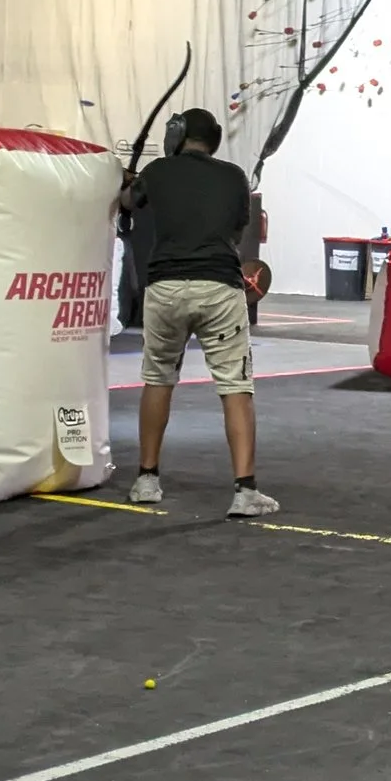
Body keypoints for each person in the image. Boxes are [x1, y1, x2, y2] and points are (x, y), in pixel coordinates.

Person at [119, 107, 279, 518]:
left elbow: (127, 202)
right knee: (235, 387)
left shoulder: (158, 171)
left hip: (165, 288)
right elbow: (236, 231)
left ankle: (146, 479)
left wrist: (129, 183)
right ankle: (245, 491)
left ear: (178, 134)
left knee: (158, 378)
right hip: (218, 289)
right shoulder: (234, 176)